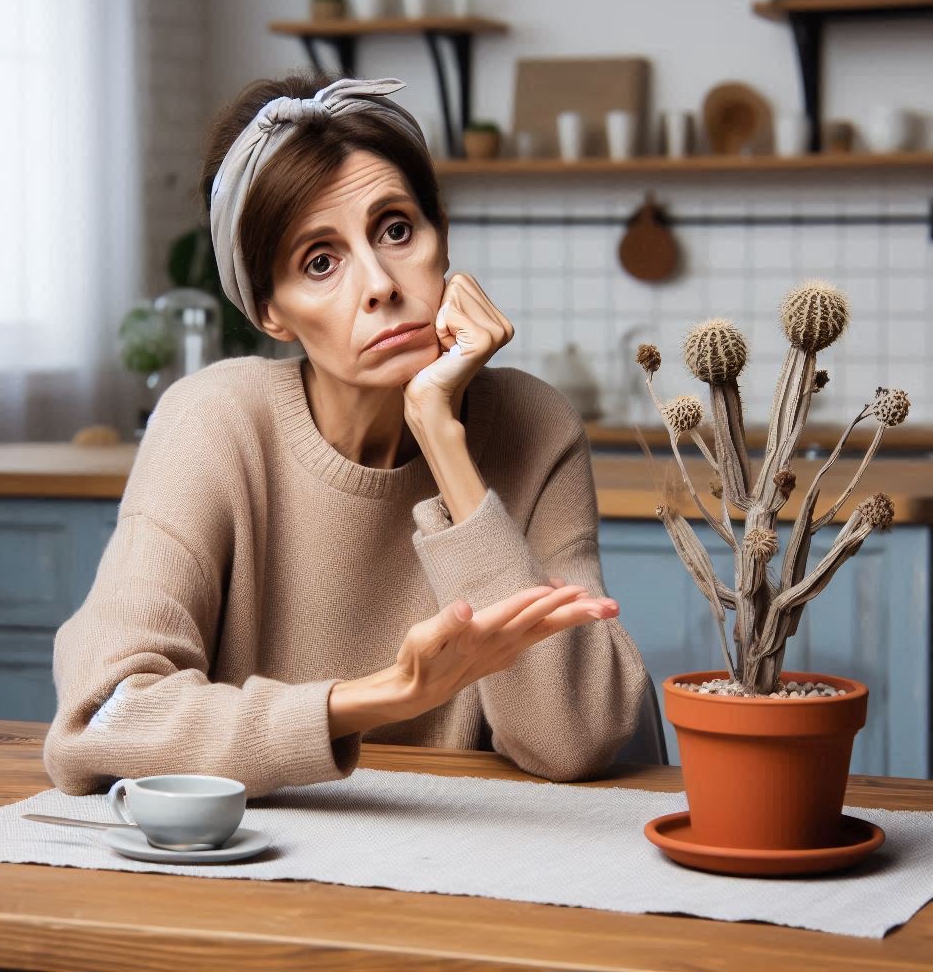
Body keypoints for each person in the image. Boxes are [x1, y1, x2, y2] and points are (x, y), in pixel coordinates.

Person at [43, 73, 649, 797]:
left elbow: (575, 735)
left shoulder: (535, 426)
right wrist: (380, 697)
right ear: (269, 309)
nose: (379, 284)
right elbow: (104, 718)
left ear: (441, 236)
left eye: (396, 230)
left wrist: (444, 443)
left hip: (469, 862)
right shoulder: (212, 422)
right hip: (253, 860)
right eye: (320, 261)